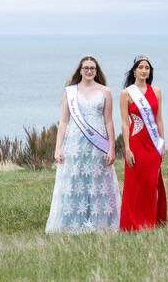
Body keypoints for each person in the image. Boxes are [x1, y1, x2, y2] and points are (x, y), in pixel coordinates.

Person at [46, 55, 121, 234]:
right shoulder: (70, 91)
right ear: (80, 70)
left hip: (98, 144)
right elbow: (63, 121)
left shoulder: (105, 91)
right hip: (74, 143)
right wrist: (58, 148)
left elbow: (109, 121)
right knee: (76, 180)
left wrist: (111, 148)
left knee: (96, 180)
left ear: (97, 71)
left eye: (92, 68)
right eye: (86, 68)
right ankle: (71, 222)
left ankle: (99, 222)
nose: (89, 71)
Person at [119, 55, 167, 232]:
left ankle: (150, 222)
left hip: (153, 144)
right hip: (136, 143)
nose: (144, 70)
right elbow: (125, 123)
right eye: (141, 67)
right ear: (134, 70)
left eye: (147, 67)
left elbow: (159, 119)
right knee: (134, 185)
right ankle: (132, 223)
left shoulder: (157, 91)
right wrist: (127, 148)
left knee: (151, 184)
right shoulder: (126, 93)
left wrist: (162, 144)